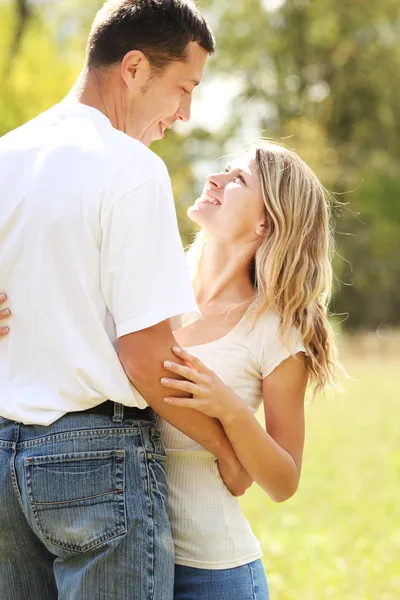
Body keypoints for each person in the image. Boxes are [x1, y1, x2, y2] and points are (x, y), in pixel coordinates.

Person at [1, 142, 341, 600]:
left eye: (237, 178)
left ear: (267, 222)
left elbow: (283, 481)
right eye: (222, 169)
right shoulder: (143, 286)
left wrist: (232, 411)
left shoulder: (276, 331)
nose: (214, 179)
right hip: (110, 558)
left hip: (210, 574)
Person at [0, 2, 250, 599]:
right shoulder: (131, 168)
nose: (185, 114)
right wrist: (226, 446)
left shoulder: (6, 154)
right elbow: (144, 357)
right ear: (134, 67)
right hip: (95, 458)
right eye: (183, 87)